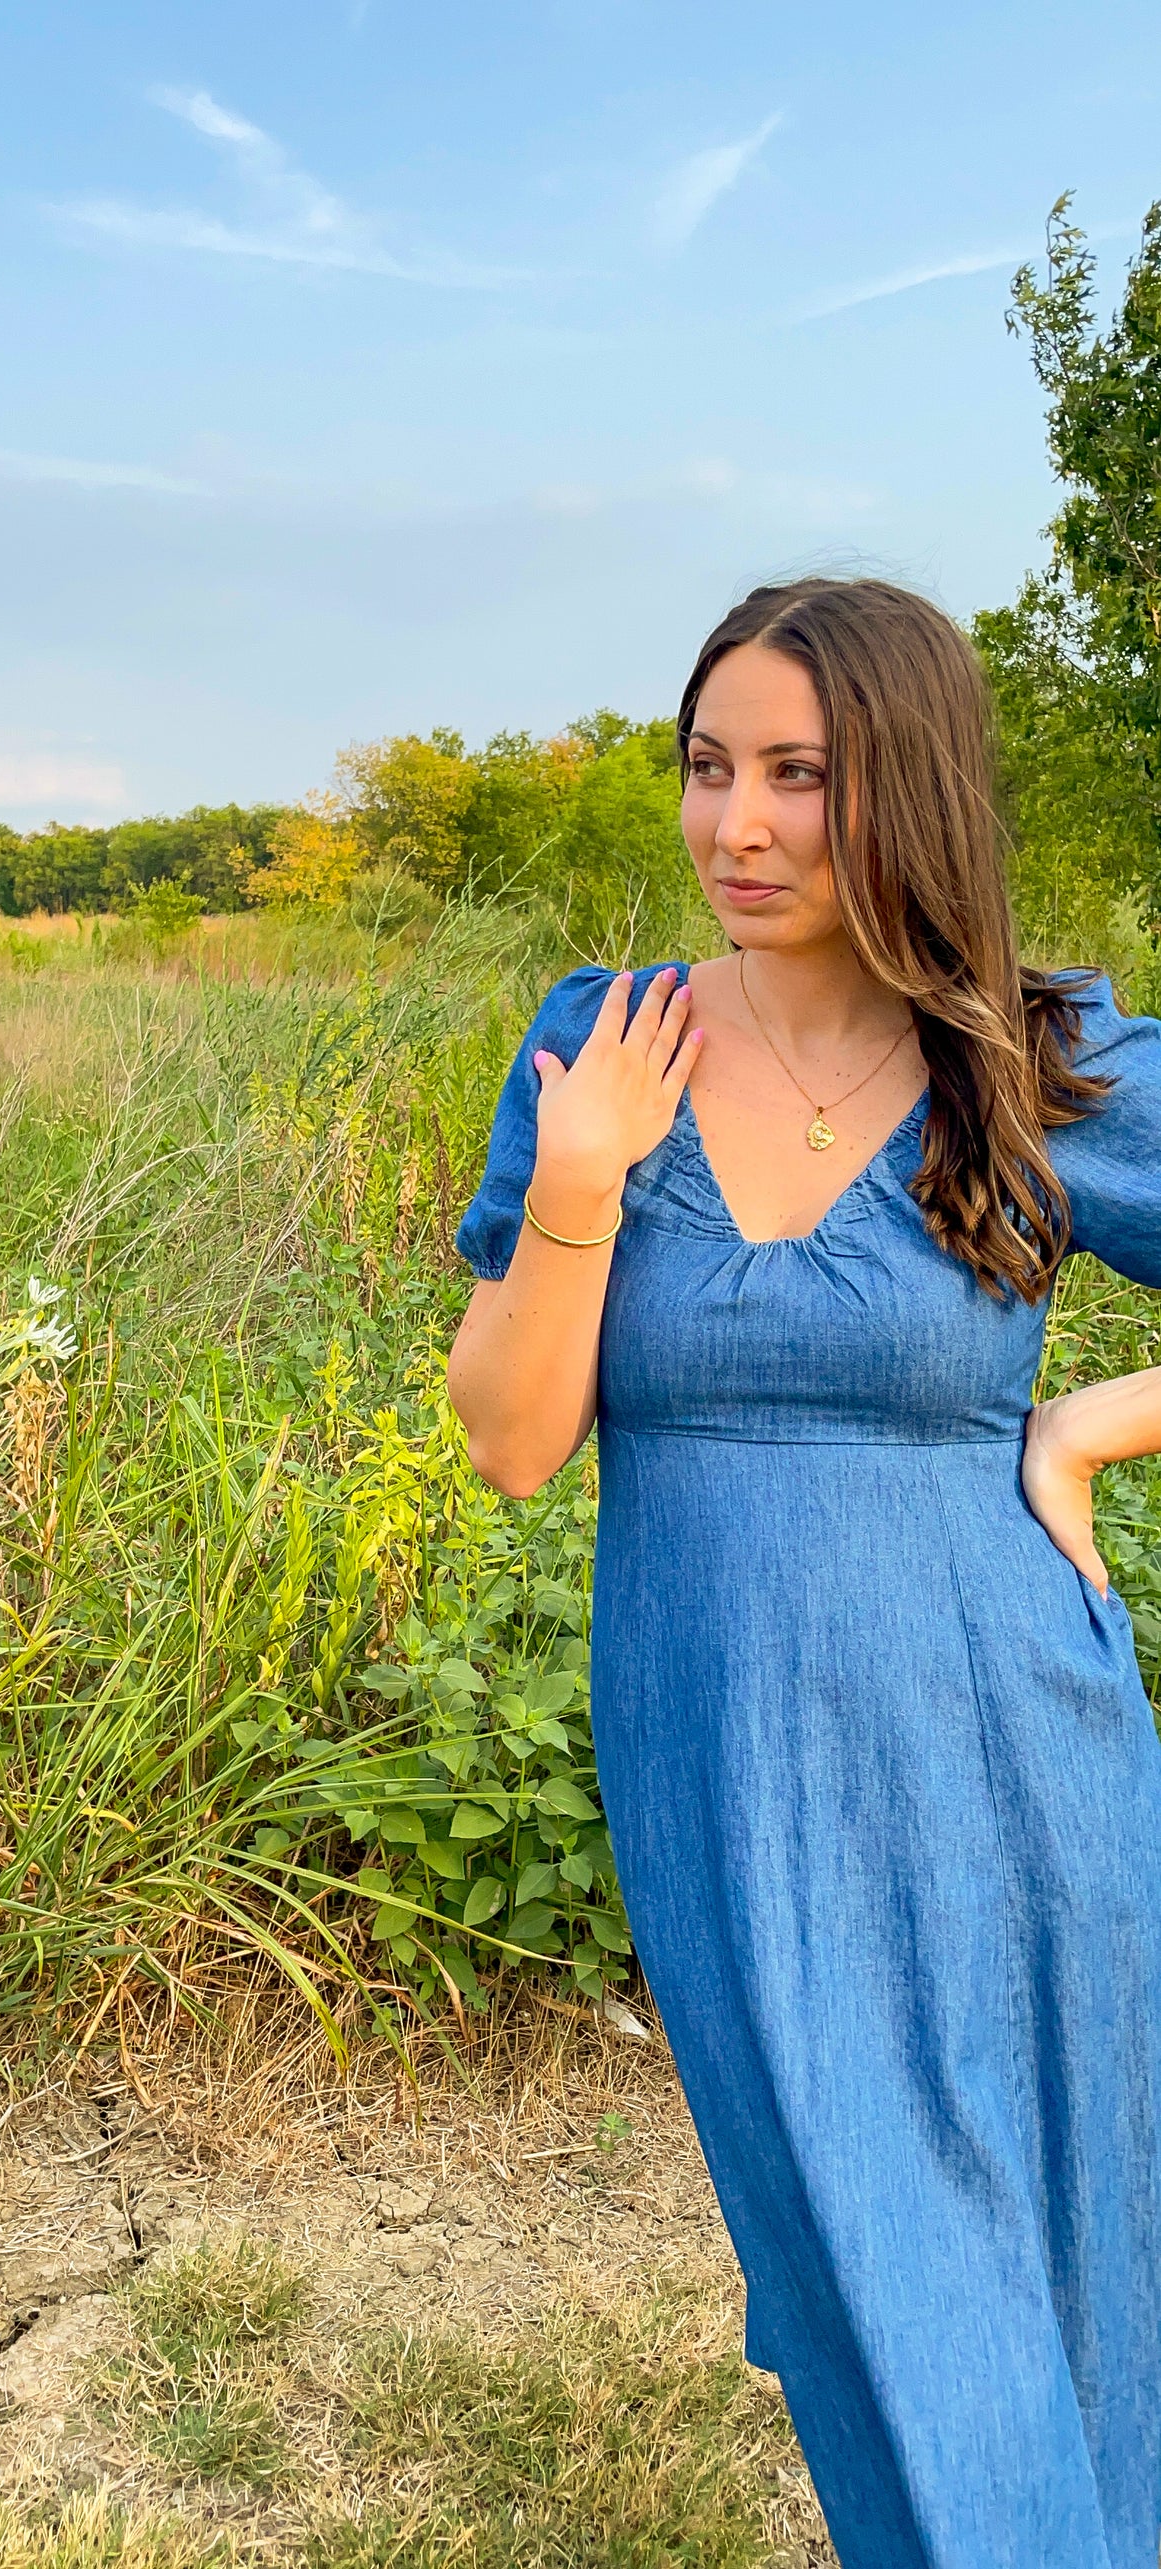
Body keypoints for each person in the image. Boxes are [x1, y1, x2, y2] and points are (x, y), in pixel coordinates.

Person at [446, 576, 1161, 2569]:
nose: (734, 826)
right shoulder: (603, 1048)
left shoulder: (1023, 1058)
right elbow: (510, 1443)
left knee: (1062, 2285)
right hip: (733, 1781)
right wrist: (583, 1182)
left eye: (799, 776)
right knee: (865, 2276)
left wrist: (1090, 1423)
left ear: (905, 789)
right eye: (706, 767)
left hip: (1015, 1765)